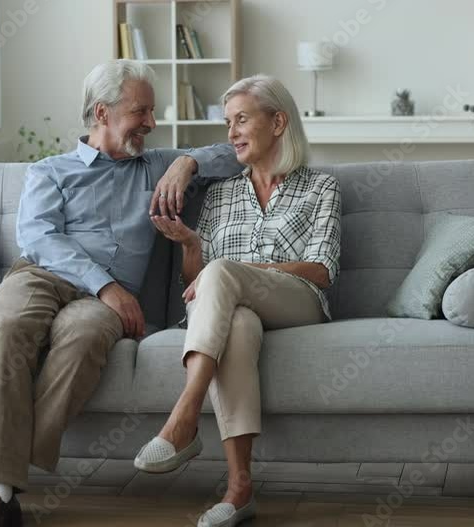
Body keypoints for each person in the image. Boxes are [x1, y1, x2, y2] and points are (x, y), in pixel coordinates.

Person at [0, 59, 242, 527]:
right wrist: (107, 286)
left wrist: (187, 162)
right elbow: (41, 238)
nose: (150, 122)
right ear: (103, 113)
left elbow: (235, 155)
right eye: (141, 111)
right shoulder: (51, 170)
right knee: (9, 328)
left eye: (152, 112)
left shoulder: (159, 165)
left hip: (99, 305)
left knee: (85, 341)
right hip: (41, 276)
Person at [133, 74, 342, 527]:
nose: (230, 134)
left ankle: (184, 415)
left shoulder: (321, 187)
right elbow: (198, 285)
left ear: (279, 122)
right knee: (239, 322)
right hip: (236, 307)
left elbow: (321, 271)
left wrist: (238, 272)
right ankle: (240, 489)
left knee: (223, 273)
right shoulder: (221, 193)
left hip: (297, 302)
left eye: (241, 120)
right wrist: (192, 247)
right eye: (228, 122)